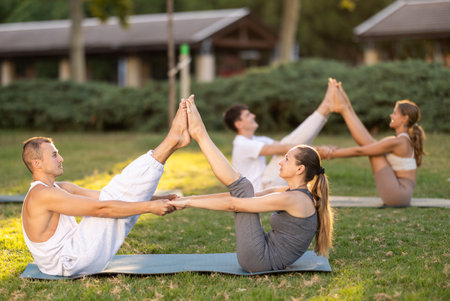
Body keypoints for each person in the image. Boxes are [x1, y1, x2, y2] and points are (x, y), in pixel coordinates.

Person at [21, 101, 191, 276]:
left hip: (71, 254)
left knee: (113, 194)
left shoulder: (61, 188)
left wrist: (158, 200)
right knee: (113, 202)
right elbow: (101, 209)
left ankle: (174, 143)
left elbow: (104, 197)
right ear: (37, 163)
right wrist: (149, 208)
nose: (61, 159)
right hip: (67, 262)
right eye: (54, 155)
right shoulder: (42, 195)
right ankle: (172, 141)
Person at [170, 97, 333, 273]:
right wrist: (187, 199)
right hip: (262, 253)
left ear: (300, 169)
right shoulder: (290, 192)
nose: (280, 162)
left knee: (243, 187)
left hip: (259, 259)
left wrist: (187, 203)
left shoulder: (294, 199)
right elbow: (238, 199)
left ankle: (200, 134)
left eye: (286, 159)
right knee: (244, 190)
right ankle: (199, 133)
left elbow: (234, 204)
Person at [321, 81, 426, 207]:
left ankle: (344, 109)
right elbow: (366, 145)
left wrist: (330, 153)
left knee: (374, 151)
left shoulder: (398, 142)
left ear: (405, 118)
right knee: (372, 147)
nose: (391, 115)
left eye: (395, 113)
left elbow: (361, 151)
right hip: (400, 195)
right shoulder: (400, 140)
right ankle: (345, 108)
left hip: (397, 195)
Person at [223, 79, 339, 192]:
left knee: (288, 146)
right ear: (239, 124)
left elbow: (286, 145)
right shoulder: (241, 143)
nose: (253, 116)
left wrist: (321, 149)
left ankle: (325, 110)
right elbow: (283, 148)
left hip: (267, 185)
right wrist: (319, 150)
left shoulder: (257, 140)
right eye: (248, 115)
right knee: (287, 151)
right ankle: (325, 109)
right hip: (259, 192)